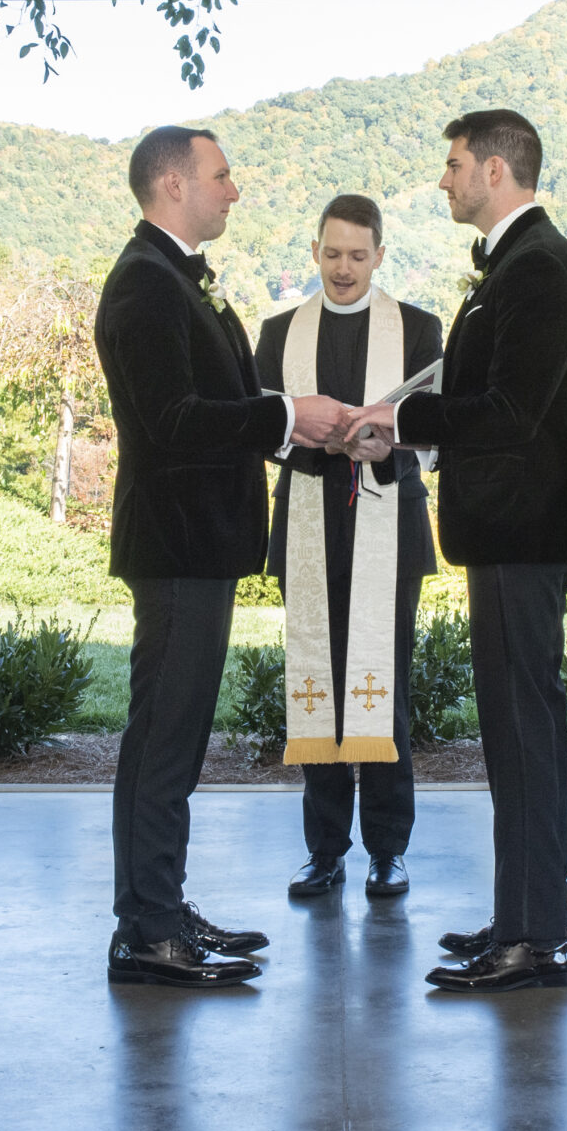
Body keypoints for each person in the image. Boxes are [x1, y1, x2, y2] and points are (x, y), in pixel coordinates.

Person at [344, 109, 567, 993]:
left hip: (526, 529)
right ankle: (524, 915)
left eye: (454, 165)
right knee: (514, 730)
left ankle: (539, 938)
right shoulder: (519, 267)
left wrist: (402, 420)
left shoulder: (540, 271)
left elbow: (508, 411)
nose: (445, 179)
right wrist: (406, 427)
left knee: (526, 732)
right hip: (509, 528)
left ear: (497, 170)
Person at [94, 126, 349, 987]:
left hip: (198, 544)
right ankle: (146, 930)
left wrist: (282, 414)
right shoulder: (143, 287)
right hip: (176, 546)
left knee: (175, 736)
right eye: (221, 174)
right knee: (164, 739)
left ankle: (158, 907)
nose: (233, 190)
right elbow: (172, 420)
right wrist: (285, 418)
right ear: (173, 186)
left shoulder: (172, 277)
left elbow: (213, 401)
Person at [254, 194, 443, 903]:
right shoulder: (278, 334)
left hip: (388, 522)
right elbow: (261, 425)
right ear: (314, 252)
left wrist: (386, 435)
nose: (342, 268)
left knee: (383, 686)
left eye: (357, 255)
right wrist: (307, 431)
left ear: (380, 256)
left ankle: (388, 849)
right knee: (315, 684)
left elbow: (436, 428)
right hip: (307, 520)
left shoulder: (419, 329)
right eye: (331, 253)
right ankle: (324, 849)